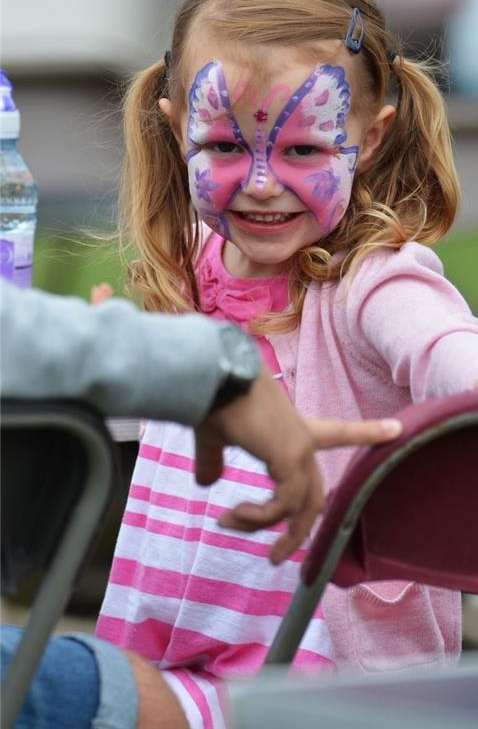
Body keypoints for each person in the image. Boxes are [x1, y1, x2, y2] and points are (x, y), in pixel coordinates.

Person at [93, 0, 478, 729]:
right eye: (225, 148)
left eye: (303, 152)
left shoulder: (370, 279)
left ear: (370, 135)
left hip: (322, 677)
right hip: (178, 642)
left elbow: (436, 343)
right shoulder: (192, 265)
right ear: (175, 126)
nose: (262, 183)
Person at [0, 278, 404, 729]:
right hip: (176, 674)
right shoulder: (190, 273)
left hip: (287, 676)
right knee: (130, 690)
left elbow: (435, 333)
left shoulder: (372, 282)